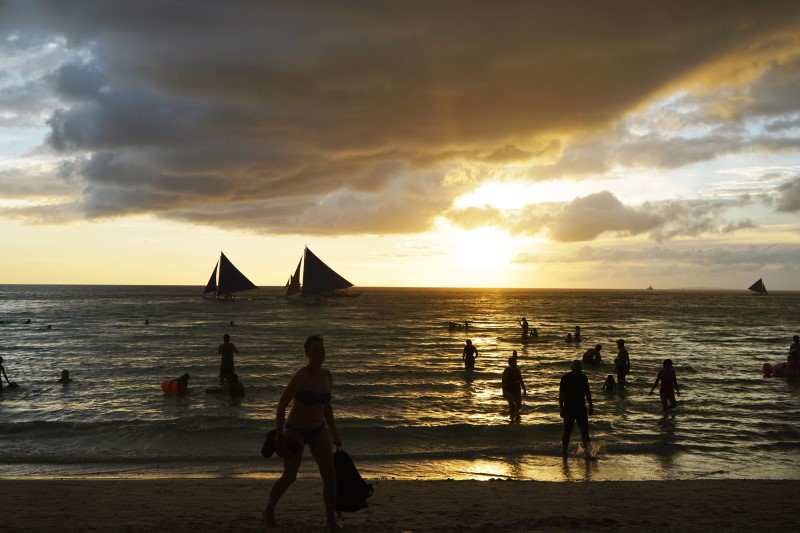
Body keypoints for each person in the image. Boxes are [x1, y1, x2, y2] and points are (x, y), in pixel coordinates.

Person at [263, 335, 342, 530]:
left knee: (330, 475)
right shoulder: (301, 376)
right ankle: (268, 510)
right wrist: (280, 434)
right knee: (290, 476)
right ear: (307, 353)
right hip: (295, 431)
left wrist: (334, 433)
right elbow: (282, 405)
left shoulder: (327, 375)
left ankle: (330, 521)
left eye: (322, 349)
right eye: (315, 350)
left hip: (318, 430)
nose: (319, 353)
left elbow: (327, 408)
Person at [559, 360, 593, 457]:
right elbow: (561, 395)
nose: (577, 369)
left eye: (579, 367)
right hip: (569, 408)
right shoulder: (565, 378)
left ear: (581, 368)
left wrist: (591, 405)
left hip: (581, 408)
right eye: (576, 367)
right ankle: (564, 451)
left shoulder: (583, 377)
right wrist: (561, 408)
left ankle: (588, 452)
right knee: (567, 431)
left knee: (585, 432)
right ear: (571, 367)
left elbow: (587, 392)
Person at [502, 353, 527, 421]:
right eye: (513, 362)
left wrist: (524, 389)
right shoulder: (507, 370)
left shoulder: (517, 370)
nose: (515, 363)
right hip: (509, 390)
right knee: (512, 405)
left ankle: (517, 417)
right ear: (509, 363)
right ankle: (511, 418)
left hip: (517, 389)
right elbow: (503, 381)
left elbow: (521, 379)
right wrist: (504, 392)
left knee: (519, 405)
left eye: (515, 362)